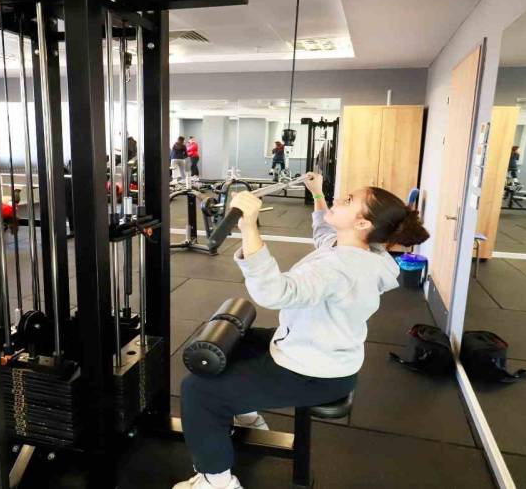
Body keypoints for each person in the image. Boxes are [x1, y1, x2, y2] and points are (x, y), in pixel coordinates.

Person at [174, 173, 430, 489]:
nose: (340, 199)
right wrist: (317, 193)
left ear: (363, 223)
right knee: (236, 344)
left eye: (349, 200)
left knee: (198, 391)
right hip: (319, 349)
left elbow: (274, 292)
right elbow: (324, 233)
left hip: (312, 371)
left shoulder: (341, 268)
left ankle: (217, 481)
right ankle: (248, 416)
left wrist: (249, 227)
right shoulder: (365, 250)